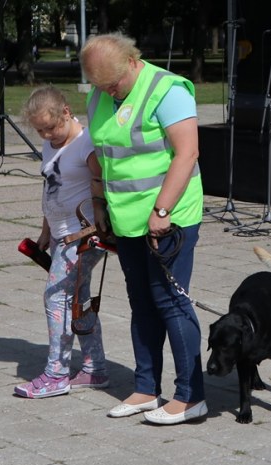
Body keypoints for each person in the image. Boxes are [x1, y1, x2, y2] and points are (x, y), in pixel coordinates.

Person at [80, 33, 207, 425]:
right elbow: (101, 156)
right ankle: (146, 389)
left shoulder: (168, 90)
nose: (108, 92)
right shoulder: (101, 94)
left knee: (170, 301)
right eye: (100, 86)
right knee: (142, 303)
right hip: (126, 219)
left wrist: (163, 210)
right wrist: (99, 202)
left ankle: (191, 396)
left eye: (113, 84)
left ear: (132, 62)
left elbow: (187, 153)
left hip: (170, 217)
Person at [13, 86, 110, 398]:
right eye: (40, 130)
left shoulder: (87, 145)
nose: (47, 135)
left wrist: (90, 232)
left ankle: (56, 374)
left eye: (51, 127)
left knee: (56, 298)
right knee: (78, 301)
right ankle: (95, 369)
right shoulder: (50, 145)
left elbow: (105, 191)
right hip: (60, 234)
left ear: (67, 112)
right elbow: (51, 188)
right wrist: (45, 231)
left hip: (82, 237)